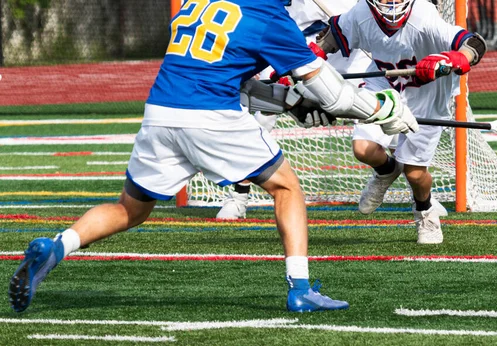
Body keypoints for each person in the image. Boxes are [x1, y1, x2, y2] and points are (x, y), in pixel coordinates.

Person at [8, 0, 418, 313]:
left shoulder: (196, 5)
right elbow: (336, 97)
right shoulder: (269, 16)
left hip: (161, 113)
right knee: (286, 187)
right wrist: (384, 110)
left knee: (130, 208)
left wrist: (290, 102)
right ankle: (300, 289)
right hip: (210, 117)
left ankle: (58, 245)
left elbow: (233, 78)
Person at [316, 0, 487, 244]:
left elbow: (474, 44)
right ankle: (387, 170)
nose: (392, 3)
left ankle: (424, 210)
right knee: (363, 149)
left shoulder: (423, 15)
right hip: (384, 82)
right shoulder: (361, 13)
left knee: (415, 174)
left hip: (428, 93)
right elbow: (334, 35)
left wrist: (453, 59)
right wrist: (312, 55)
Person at [216, 0, 373, 220]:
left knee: (372, 107)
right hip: (288, 40)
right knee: (263, 113)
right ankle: (239, 196)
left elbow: (363, 21)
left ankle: (418, 192)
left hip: (344, 47)